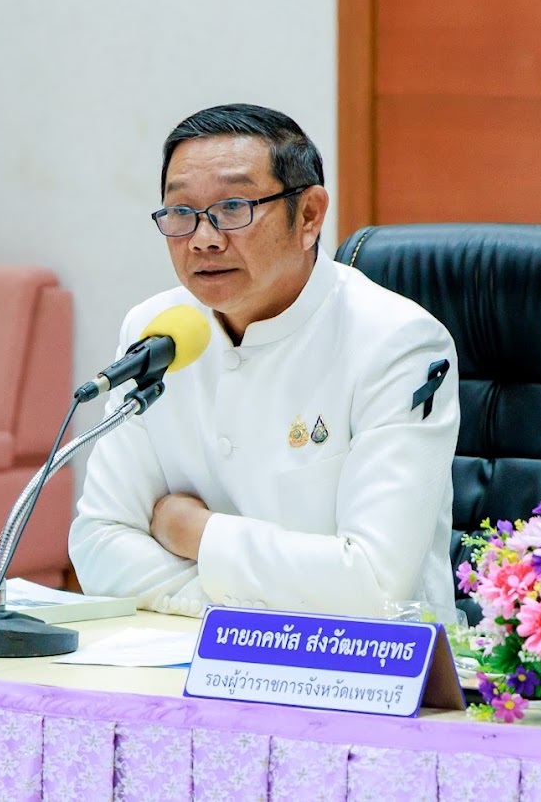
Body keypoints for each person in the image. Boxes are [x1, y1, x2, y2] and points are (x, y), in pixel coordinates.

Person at [68, 103, 459, 619]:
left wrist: (197, 533)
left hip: (369, 677)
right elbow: (98, 546)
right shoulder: (156, 330)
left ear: (310, 216)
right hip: (176, 660)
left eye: (233, 208)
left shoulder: (395, 342)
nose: (204, 238)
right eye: (181, 213)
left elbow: (373, 584)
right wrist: (239, 613)